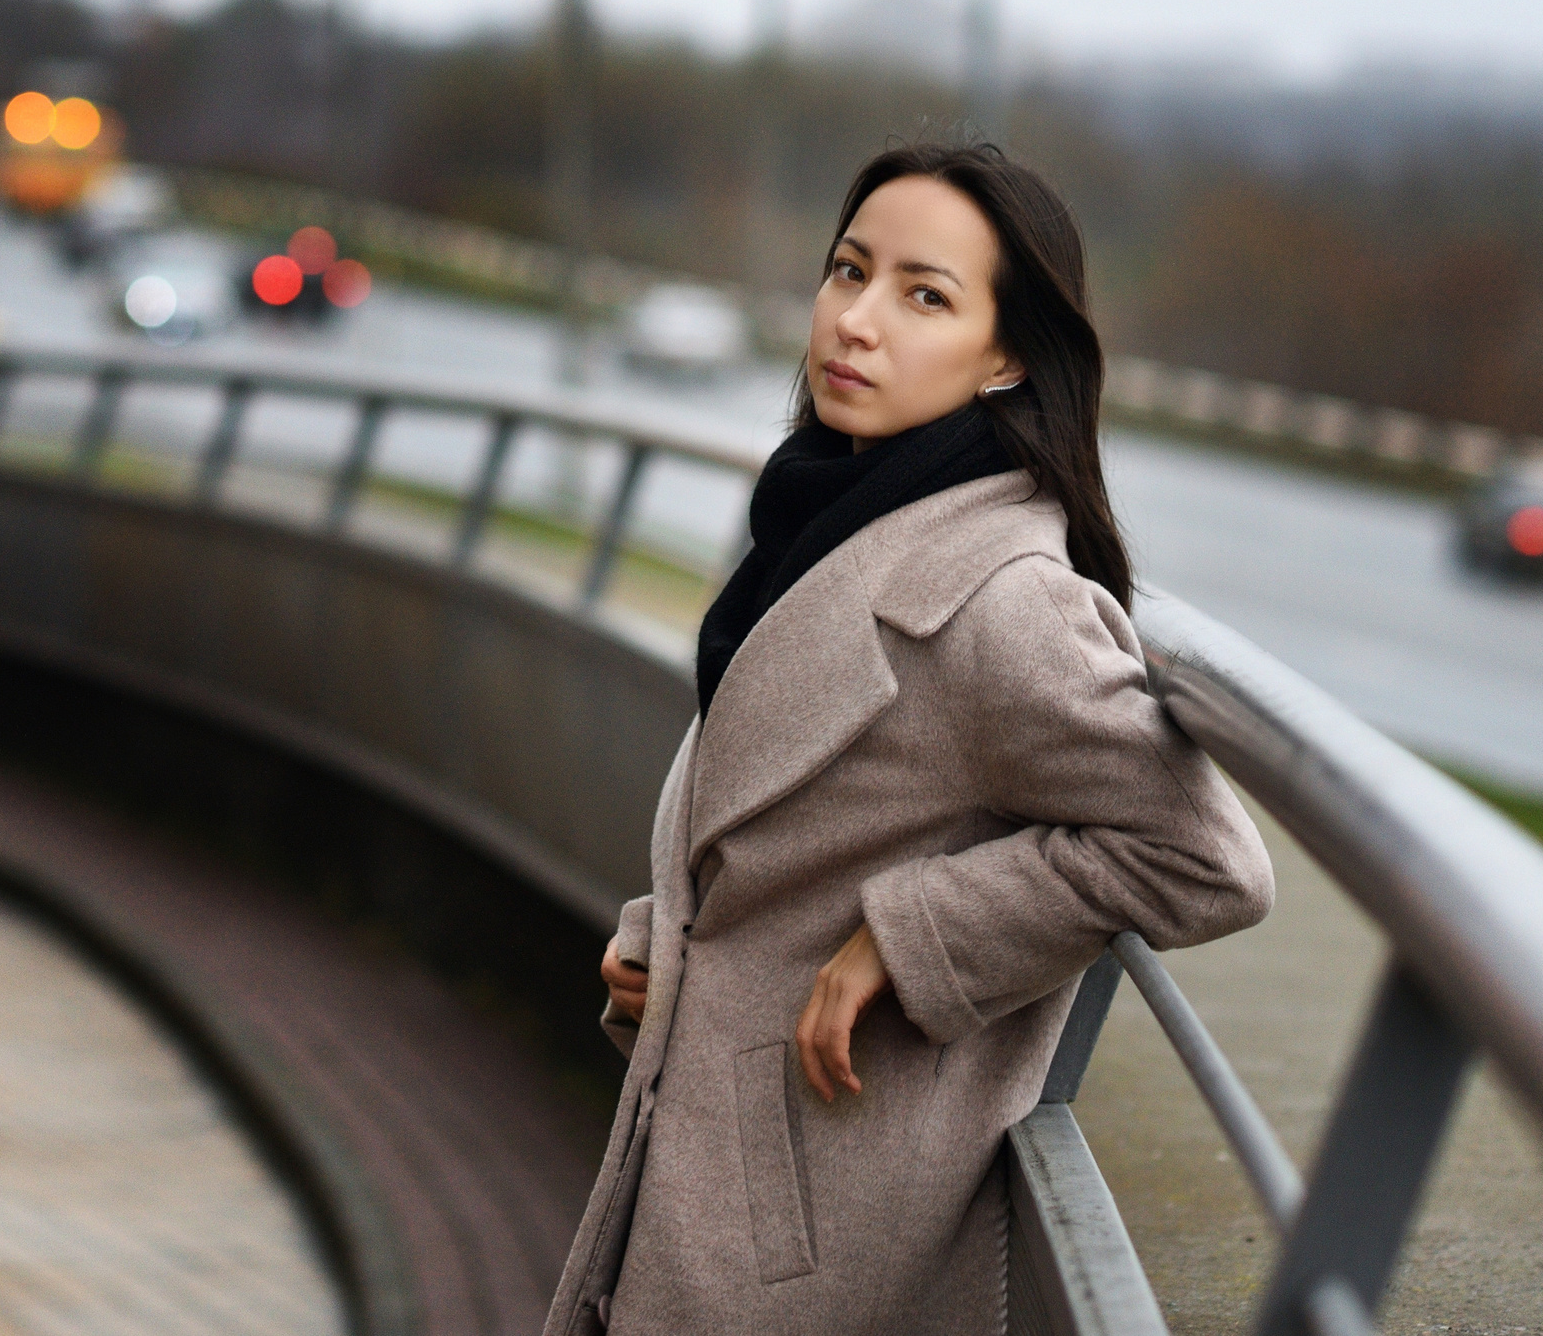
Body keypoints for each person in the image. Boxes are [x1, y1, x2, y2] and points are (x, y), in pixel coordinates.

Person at [543, 143, 1274, 1336]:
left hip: (817, 1223)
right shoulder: (826, 517)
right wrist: (665, 939)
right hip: (727, 1163)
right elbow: (792, 821)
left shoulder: (1001, 599)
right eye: (848, 270)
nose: (856, 320)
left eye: (923, 294)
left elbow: (1206, 858)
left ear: (1006, 355)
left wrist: (912, 931)